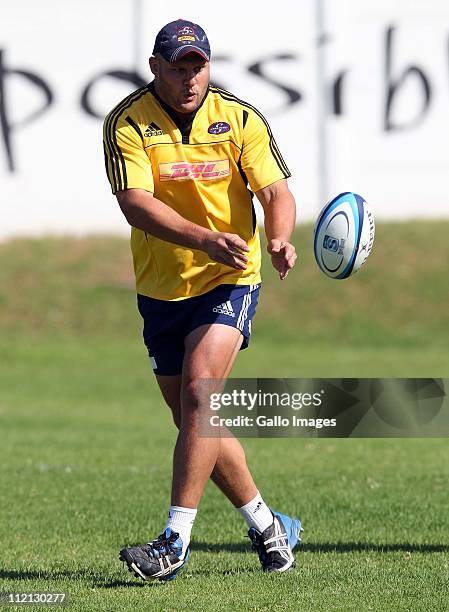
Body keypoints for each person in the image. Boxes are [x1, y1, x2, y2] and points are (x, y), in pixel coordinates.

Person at [103, 19, 302, 581]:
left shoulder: (238, 117)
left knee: (201, 394)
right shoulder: (128, 122)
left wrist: (281, 236)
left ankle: (172, 543)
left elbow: (275, 191)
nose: (190, 77)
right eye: (178, 66)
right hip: (162, 288)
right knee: (193, 418)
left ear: (209, 66)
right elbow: (135, 203)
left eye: (198, 66)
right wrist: (202, 238)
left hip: (232, 277)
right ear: (155, 67)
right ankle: (268, 526)